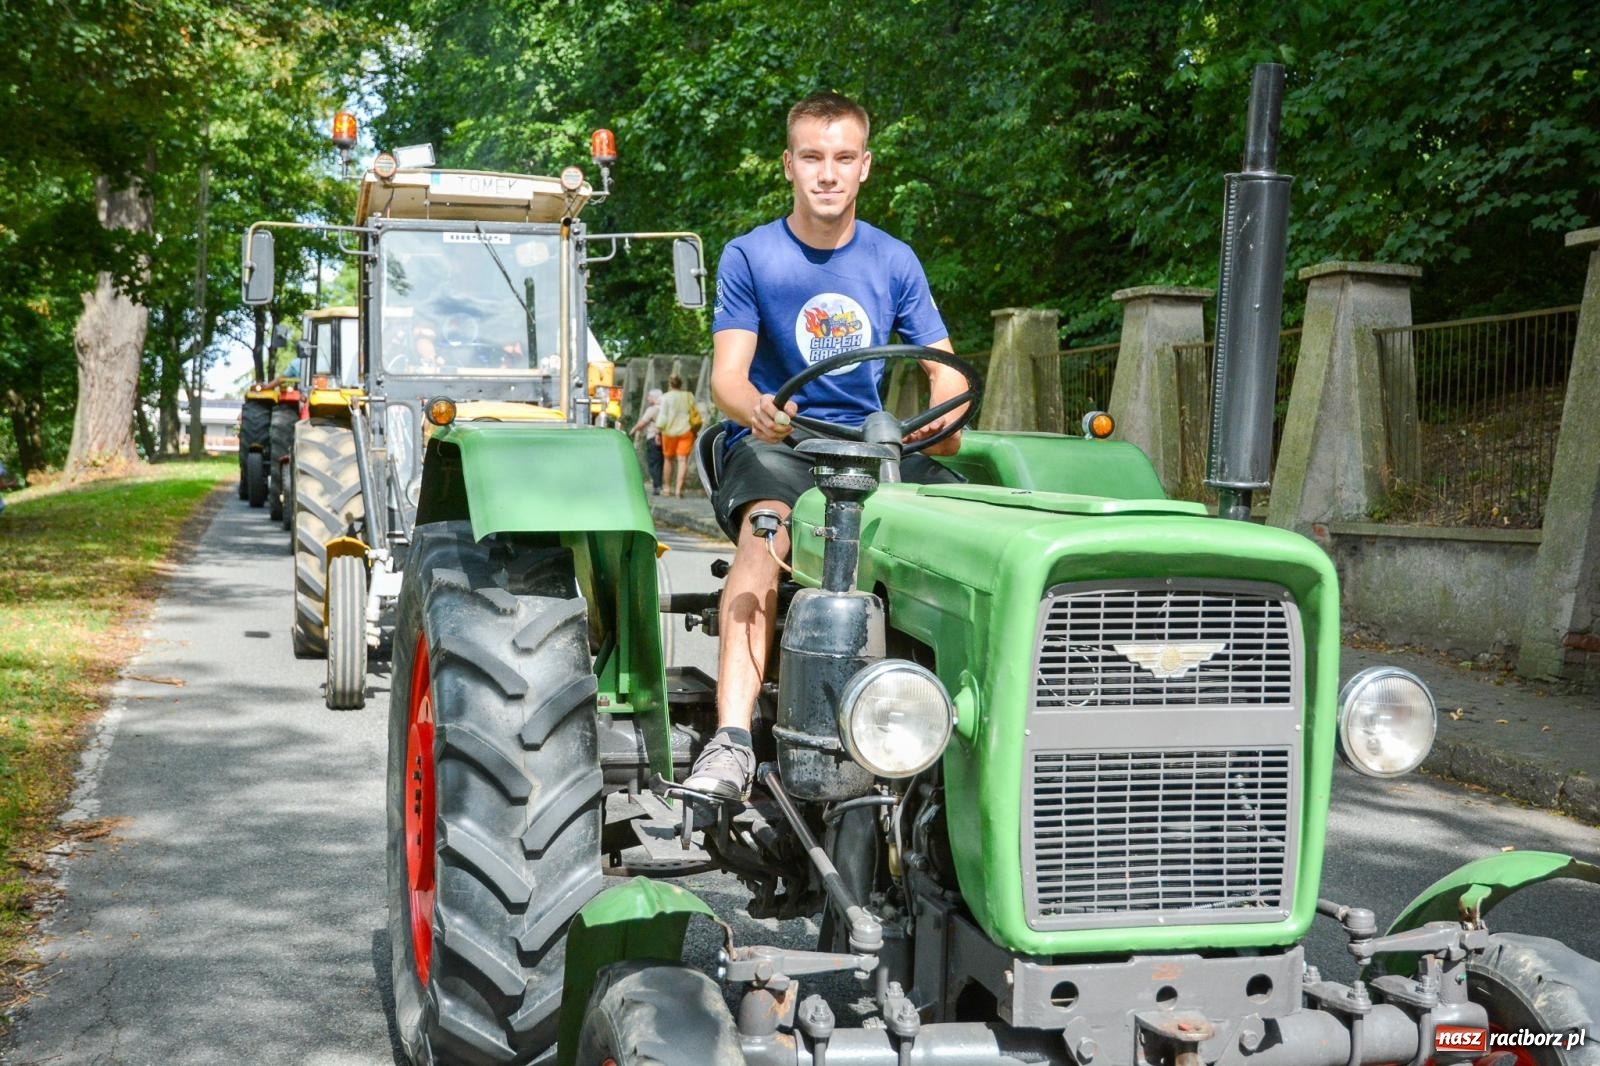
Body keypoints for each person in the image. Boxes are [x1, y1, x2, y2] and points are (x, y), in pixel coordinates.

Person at [681, 90, 970, 801]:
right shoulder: (753, 255)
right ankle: (733, 739)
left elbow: (941, 364)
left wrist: (941, 416)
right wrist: (761, 410)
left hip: (868, 445)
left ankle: (962, 728)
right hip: (782, 442)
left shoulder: (894, 260)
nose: (828, 173)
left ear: (865, 167)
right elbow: (728, 379)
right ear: (790, 164)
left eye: (843, 158)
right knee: (767, 523)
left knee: (966, 527)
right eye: (813, 157)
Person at [656, 375, 694, 497]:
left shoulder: (666, 397)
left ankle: (667, 488)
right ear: (681, 384)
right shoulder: (689, 396)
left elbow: (663, 416)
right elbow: (694, 413)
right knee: (682, 461)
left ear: (670, 384)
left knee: (668, 460)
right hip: (686, 431)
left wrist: (658, 431)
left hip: (669, 432)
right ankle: (679, 490)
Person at [631, 388, 665, 494]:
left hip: (653, 437)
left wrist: (632, 431)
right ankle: (661, 484)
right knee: (660, 462)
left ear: (654, 397)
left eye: (649, 396)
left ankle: (657, 486)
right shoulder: (665, 408)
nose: (647, 398)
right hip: (665, 437)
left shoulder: (653, 409)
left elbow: (642, 423)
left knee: (653, 463)